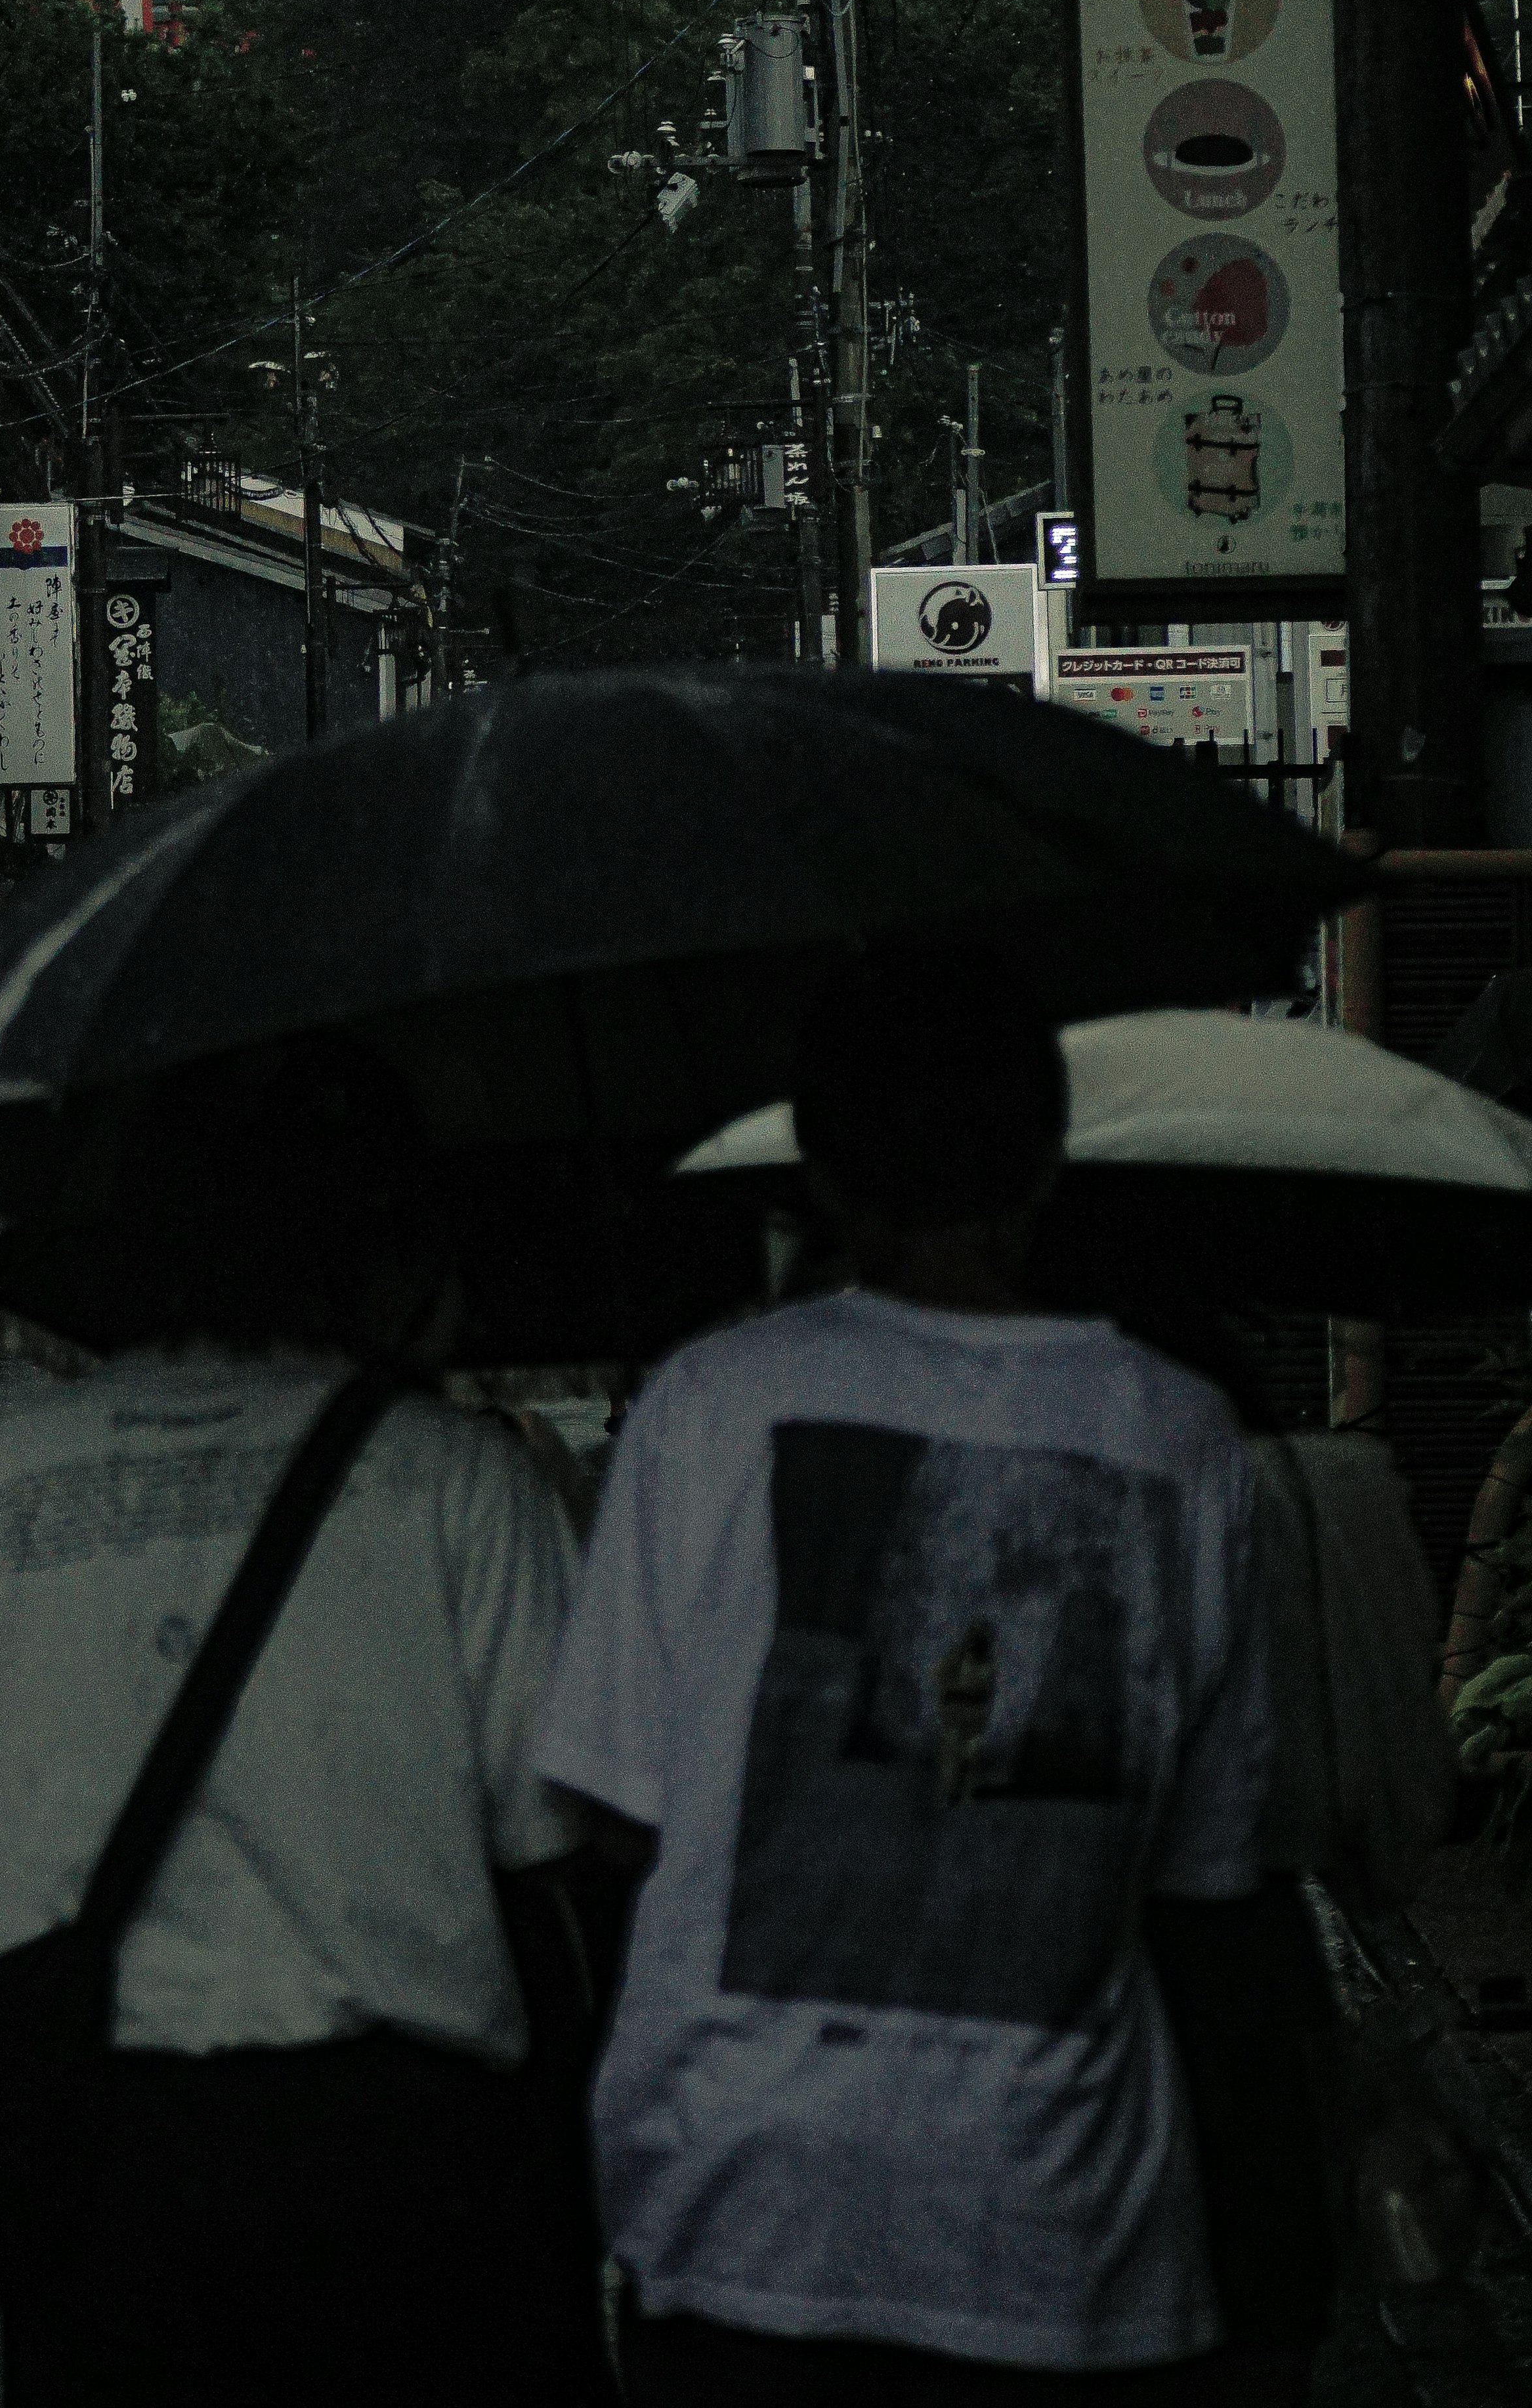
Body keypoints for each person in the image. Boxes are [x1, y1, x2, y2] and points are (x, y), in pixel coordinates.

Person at [539, 951, 1288, 2405]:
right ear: (1050, 1159)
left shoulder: (705, 1403)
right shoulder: (1183, 1438)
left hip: (736, 2192)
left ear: (819, 1166)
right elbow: (1211, 1876)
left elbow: (621, 1819)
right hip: (1055, 2215)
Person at [0, 1039, 607, 2408]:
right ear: (384, 1236)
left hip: (99, 2193)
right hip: (407, 2180)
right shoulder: (455, 1483)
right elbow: (562, 1829)